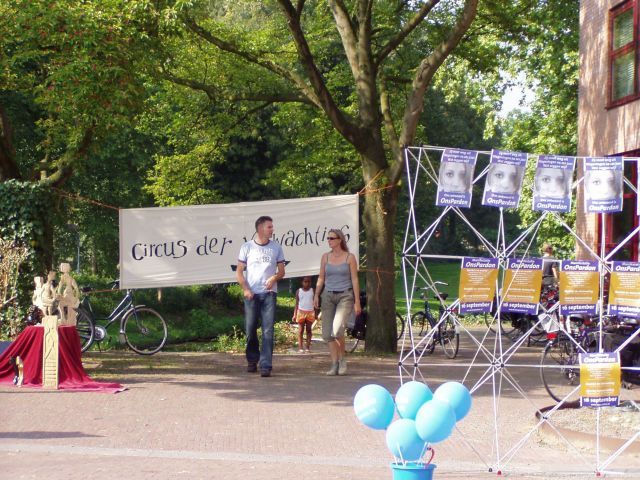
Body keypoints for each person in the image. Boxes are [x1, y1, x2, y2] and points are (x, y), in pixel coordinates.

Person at [236, 216, 286, 377]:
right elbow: (239, 272)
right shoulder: (247, 247)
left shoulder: (276, 248)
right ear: (260, 228)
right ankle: (252, 360)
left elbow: (282, 271)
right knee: (250, 329)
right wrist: (246, 289)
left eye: (272, 227)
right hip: (252, 295)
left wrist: (274, 278)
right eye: (269, 227)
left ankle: (266, 365)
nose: (272, 230)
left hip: (269, 295)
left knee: (268, 330)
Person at [314, 229, 361, 376]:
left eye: (332, 238)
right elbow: (321, 277)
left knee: (337, 330)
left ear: (340, 240)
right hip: (327, 295)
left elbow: (354, 279)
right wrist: (316, 294)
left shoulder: (349, 257)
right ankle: (334, 364)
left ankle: (342, 360)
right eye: (328, 238)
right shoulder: (325, 257)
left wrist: (357, 301)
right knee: (327, 334)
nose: (329, 240)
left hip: (345, 296)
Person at [292, 276, 315, 353]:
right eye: (305, 282)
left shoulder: (313, 291)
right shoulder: (299, 291)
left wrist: (317, 313)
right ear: (302, 282)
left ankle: (308, 347)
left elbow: (315, 303)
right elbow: (296, 304)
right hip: (301, 312)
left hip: (310, 312)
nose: (307, 283)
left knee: (309, 330)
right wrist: (294, 314)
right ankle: (300, 347)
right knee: (300, 330)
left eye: (309, 282)